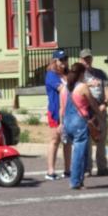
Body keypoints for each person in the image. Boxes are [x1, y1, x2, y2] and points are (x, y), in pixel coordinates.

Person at [60, 63, 101, 189]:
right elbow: (93, 103)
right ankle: (75, 181)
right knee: (79, 153)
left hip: (67, 122)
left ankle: (80, 180)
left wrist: (61, 125)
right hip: (79, 121)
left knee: (80, 151)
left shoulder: (63, 88)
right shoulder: (82, 87)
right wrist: (99, 113)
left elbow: (61, 109)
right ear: (82, 74)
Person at [79, 49, 108, 176]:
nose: (87, 61)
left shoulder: (100, 73)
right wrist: (89, 84)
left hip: (100, 109)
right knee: (87, 139)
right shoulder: (79, 75)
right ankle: (87, 168)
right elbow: (74, 88)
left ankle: (102, 167)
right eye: (84, 59)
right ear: (80, 60)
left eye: (89, 58)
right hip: (86, 110)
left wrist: (105, 103)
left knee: (102, 138)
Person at [44, 49, 72, 180]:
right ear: (55, 61)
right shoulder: (51, 75)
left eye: (65, 59)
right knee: (55, 140)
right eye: (61, 60)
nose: (64, 62)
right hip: (55, 112)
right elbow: (63, 89)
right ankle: (51, 171)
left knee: (67, 141)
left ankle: (67, 170)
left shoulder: (68, 74)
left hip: (69, 112)